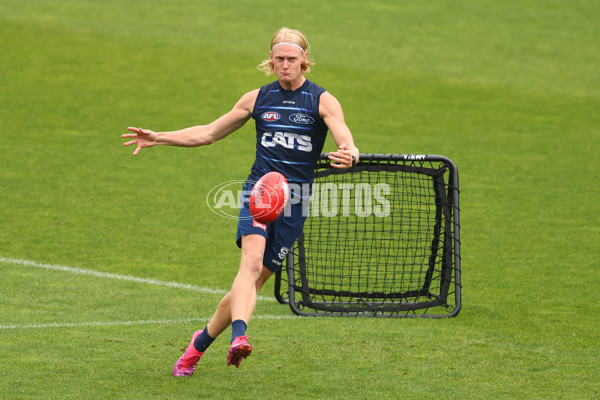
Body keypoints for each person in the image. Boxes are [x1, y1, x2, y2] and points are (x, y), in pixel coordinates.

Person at [121, 27, 359, 376]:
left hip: (294, 203)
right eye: (279, 59)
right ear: (271, 61)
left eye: (292, 59)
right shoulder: (257, 99)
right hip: (260, 193)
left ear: (304, 61)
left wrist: (350, 152)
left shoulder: (322, 100)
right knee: (248, 266)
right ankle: (240, 336)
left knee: (253, 283)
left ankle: (197, 345)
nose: (285, 66)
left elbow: (343, 136)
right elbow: (208, 133)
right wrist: (160, 137)